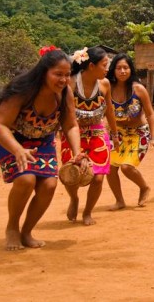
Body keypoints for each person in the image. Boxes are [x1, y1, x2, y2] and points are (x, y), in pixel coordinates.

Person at [0, 47, 87, 250]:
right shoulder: (23, 90)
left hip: (43, 141)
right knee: (26, 179)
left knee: (49, 186)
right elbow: (0, 125)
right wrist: (18, 150)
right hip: (11, 140)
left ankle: (27, 231)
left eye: (67, 75)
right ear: (44, 72)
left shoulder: (65, 93)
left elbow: (70, 125)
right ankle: (12, 228)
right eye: (58, 74)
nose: (63, 80)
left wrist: (77, 152)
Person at [61, 47, 119, 225]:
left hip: (97, 134)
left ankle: (87, 212)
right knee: (71, 174)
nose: (107, 69)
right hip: (73, 135)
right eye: (104, 65)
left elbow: (109, 110)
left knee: (98, 177)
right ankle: (74, 199)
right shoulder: (69, 83)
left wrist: (115, 135)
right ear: (91, 66)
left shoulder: (105, 84)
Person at [105, 54, 154, 210]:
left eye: (126, 67)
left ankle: (144, 187)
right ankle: (119, 201)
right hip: (117, 134)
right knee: (109, 168)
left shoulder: (139, 89)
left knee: (126, 167)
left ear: (131, 69)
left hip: (139, 134)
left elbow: (150, 114)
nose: (123, 71)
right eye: (119, 68)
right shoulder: (107, 89)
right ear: (113, 70)